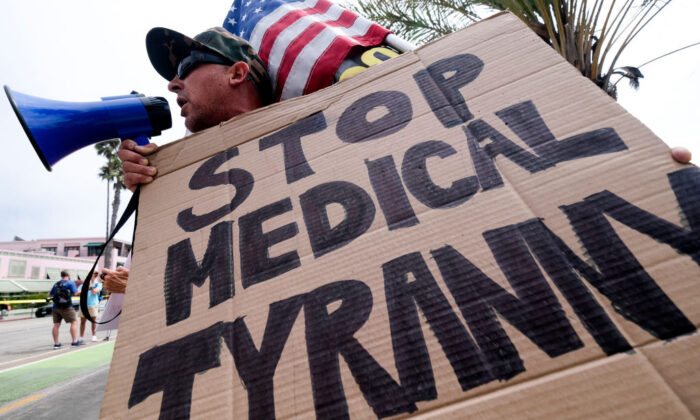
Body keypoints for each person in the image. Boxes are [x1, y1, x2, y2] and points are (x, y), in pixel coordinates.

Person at [107, 25, 694, 296]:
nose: (173, 85)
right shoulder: (173, 181)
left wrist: (618, 172)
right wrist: (153, 277)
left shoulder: (350, 130)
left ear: (237, 72)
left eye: (185, 71)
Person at [48, 270, 84, 348]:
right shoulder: (70, 283)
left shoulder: (56, 284)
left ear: (61, 276)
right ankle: (74, 341)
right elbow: (75, 293)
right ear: (68, 275)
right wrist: (81, 290)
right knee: (74, 322)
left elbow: (50, 295)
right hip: (67, 307)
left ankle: (56, 343)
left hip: (56, 306)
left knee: (56, 325)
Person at [79, 272, 103, 342]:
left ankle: (94, 336)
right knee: (82, 322)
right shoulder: (83, 285)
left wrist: (90, 286)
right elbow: (77, 292)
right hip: (83, 305)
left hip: (93, 305)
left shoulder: (98, 284)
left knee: (93, 321)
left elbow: (94, 292)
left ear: (94, 276)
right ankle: (81, 337)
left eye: (91, 275)